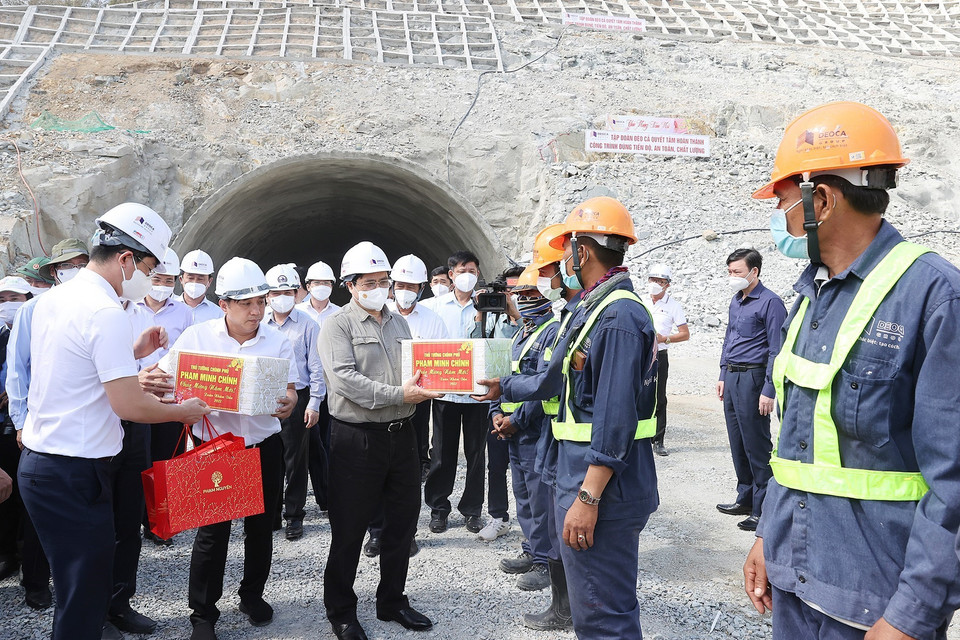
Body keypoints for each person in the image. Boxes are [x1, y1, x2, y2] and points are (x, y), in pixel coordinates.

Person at [743, 102, 960, 640]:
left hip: (873, 606)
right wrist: (769, 534)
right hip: (796, 585)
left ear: (822, 198)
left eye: (785, 201)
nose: (781, 218)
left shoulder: (934, 296)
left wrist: (910, 616)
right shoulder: (811, 294)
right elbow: (797, 447)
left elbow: (953, 481)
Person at [17, 203, 210, 640]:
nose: (150, 278)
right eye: (148, 266)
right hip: (73, 471)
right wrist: (184, 411)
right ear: (125, 260)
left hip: (47, 465)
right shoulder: (104, 312)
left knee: (76, 589)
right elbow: (130, 407)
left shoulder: (59, 299)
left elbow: (75, 371)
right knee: (83, 597)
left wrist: (133, 353)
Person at [476, 197, 660, 637]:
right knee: (590, 605)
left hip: (601, 488)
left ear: (583, 252)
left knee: (603, 614)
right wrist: (506, 387)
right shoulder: (591, 309)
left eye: (566, 253)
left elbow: (615, 420)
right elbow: (552, 377)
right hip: (573, 470)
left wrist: (588, 498)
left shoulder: (616, 317)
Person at [153, 257, 297, 640]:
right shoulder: (197, 339)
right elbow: (164, 382)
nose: (257, 311)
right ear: (224, 305)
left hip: (261, 447)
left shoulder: (277, 341)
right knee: (212, 534)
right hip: (215, 448)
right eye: (247, 304)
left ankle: (252, 596)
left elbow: (290, 391)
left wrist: (289, 403)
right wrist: (179, 404)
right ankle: (203, 613)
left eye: (261, 302)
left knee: (261, 529)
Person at [317, 241, 441, 640]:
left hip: (402, 436)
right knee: (350, 529)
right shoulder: (337, 325)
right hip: (357, 439)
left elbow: (414, 369)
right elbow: (344, 380)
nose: (379, 288)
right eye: (369, 282)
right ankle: (341, 610)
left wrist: (440, 383)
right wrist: (399, 395)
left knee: (402, 525)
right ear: (350, 286)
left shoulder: (398, 323)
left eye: (383, 281)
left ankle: (392, 601)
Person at [4, 238, 88, 611]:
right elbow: (18, 372)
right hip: (43, 427)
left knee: (82, 512)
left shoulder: (98, 308)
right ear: (54, 272)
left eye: (82, 263)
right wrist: (21, 423)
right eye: (68, 264)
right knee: (39, 510)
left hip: (85, 429)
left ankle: (79, 586)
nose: (75, 271)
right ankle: (36, 584)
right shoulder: (32, 311)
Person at [362, 254, 448, 560]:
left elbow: (442, 363)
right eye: (400, 284)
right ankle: (376, 533)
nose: (405, 290)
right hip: (380, 403)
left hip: (416, 407)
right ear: (390, 286)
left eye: (412, 285)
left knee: (407, 475)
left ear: (422, 287)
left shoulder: (432, 320)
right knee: (375, 473)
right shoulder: (373, 317)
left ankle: (406, 534)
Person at [489, 264, 557, 592]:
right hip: (513, 429)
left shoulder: (553, 332)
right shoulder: (521, 332)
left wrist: (515, 422)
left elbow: (542, 385)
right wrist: (496, 415)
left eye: (532, 293)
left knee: (541, 497)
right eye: (520, 294)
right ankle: (532, 550)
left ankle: (547, 562)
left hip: (535, 429)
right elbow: (504, 376)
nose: (525, 299)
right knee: (524, 495)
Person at [423, 250, 499, 536]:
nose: (468, 275)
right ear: (451, 274)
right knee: (441, 452)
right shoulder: (435, 307)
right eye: (462, 270)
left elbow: (495, 343)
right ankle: (438, 508)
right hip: (446, 394)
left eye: (473, 270)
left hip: (478, 392)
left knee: (476, 452)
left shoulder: (488, 306)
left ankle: (472, 509)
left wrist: (483, 316)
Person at [716, 248, 786, 532]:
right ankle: (744, 497)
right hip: (732, 376)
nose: (733, 277)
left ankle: (763, 508)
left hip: (753, 378)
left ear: (754, 272)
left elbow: (776, 349)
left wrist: (769, 389)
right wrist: (722, 372)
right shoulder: (737, 300)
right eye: (730, 272)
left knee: (756, 444)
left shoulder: (771, 303)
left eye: (738, 272)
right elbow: (729, 336)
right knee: (737, 441)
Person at [263, 263, 324, 542]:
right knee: (267, 457)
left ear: (298, 292)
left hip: (296, 398)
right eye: (276, 291)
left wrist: (314, 403)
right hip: (263, 397)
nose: (282, 296)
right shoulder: (259, 323)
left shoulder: (308, 325)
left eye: (288, 291)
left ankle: (294, 516)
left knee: (296, 460)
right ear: (267, 295)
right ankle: (269, 513)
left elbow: (316, 368)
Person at [139, 247, 195, 548]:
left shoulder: (185, 313)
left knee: (165, 462)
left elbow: (188, 356)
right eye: (158, 279)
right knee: (135, 459)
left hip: (168, 399)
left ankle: (159, 524)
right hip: (134, 395)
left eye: (169, 281)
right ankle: (133, 517)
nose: (162, 286)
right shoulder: (131, 308)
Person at [295, 260, 340, 513]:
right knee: (304, 445)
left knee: (328, 443)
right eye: (316, 283)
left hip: (333, 388)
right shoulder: (298, 314)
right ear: (307, 286)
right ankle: (294, 498)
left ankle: (327, 496)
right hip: (306, 389)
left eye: (326, 283)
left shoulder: (340, 313)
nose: (321, 287)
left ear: (332, 286)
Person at [641, 263, 690, 457]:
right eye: (652, 280)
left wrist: (665, 338)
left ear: (667, 285)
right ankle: (641, 436)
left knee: (659, 397)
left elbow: (685, 333)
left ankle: (658, 440)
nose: (655, 284)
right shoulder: (641, 301)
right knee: (638, 394)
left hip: (659, 355)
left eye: (659, 281)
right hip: (640, 354)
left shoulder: (673, 305)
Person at [175, 249, 224, 324]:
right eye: (190, 278)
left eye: (200, 279)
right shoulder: (169, 309)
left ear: (209, 281)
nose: (195, 282)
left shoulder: (218, 315)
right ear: (181, 279)